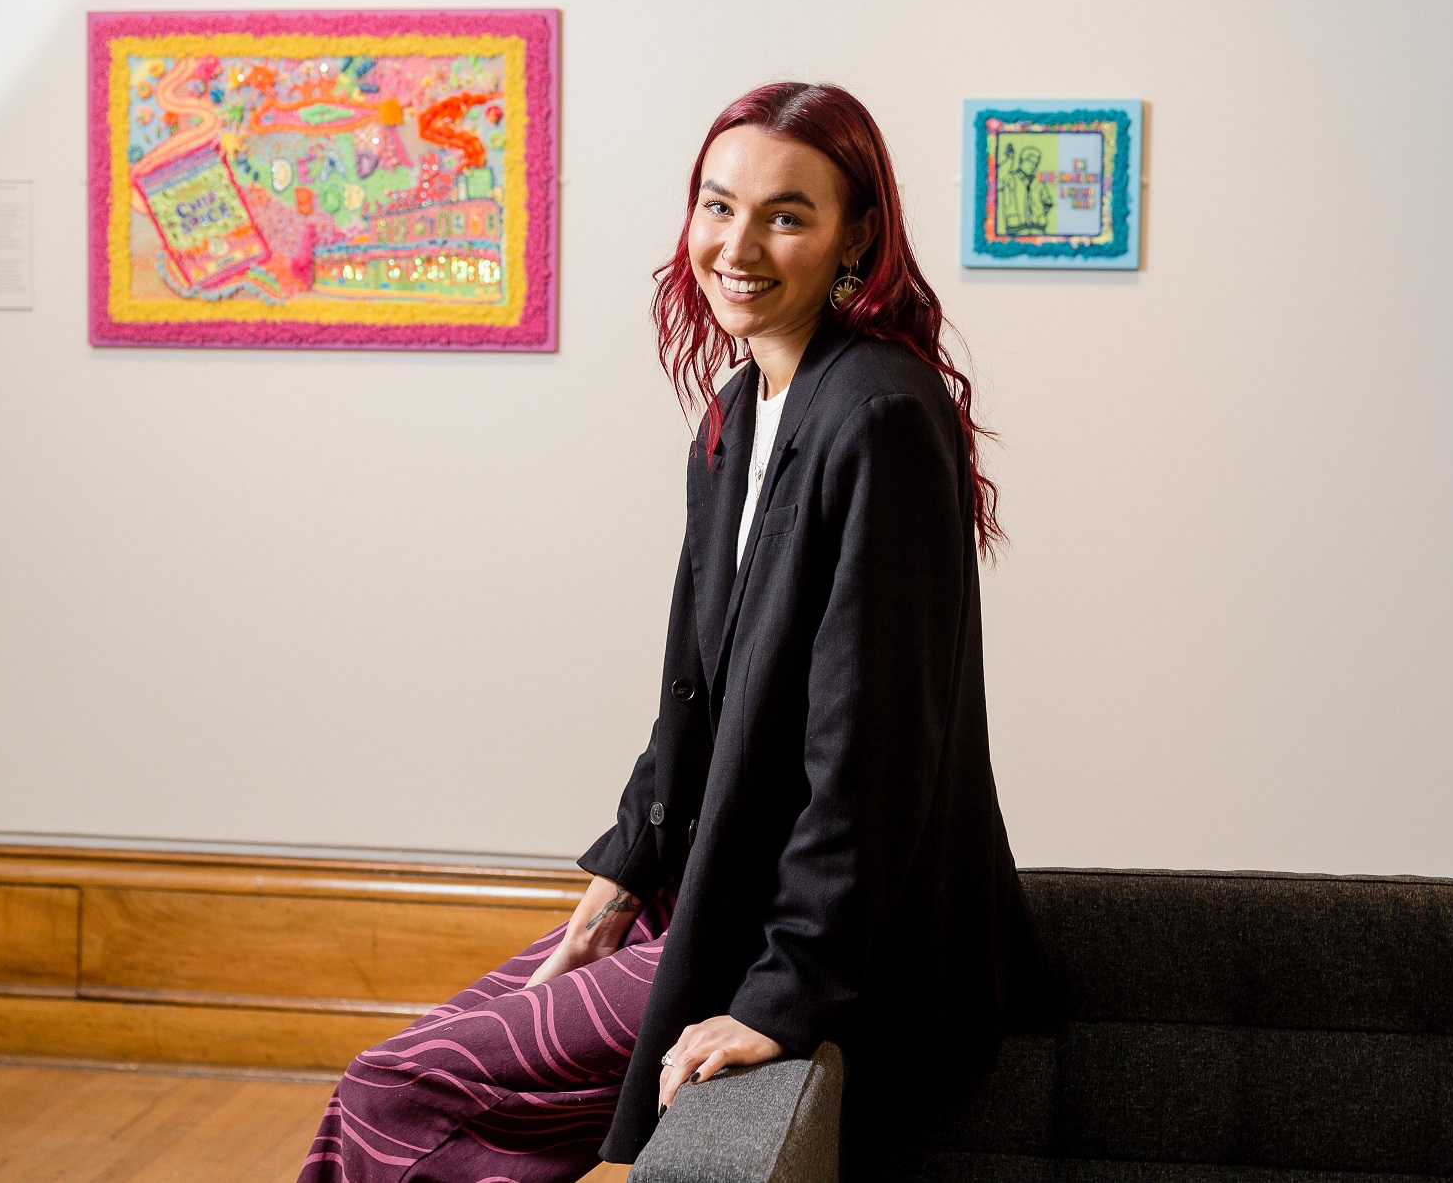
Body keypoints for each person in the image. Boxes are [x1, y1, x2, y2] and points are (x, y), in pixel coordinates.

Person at [295, 82, 1043, 1183]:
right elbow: (692, 691)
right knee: (407, 1059)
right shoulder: (738, 410)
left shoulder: (879, 413)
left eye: (786, 215)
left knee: (397, 1088)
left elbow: (871, 758)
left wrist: (781, 996)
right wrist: (622, 873)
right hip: (708, 883)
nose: (736, 245)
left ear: (857, 236)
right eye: (715, 204)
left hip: (822, 936)